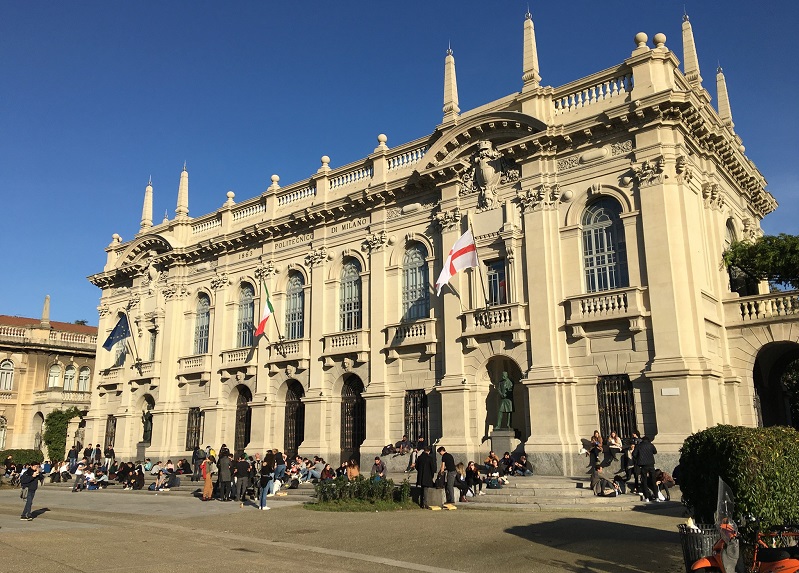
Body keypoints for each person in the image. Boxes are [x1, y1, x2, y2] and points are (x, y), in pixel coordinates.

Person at [633, 435, 658, 502]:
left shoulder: (639, 446)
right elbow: (655, 452)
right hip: (651, 464)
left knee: (644, 481)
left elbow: (634, 454)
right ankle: (656, 497)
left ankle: (646, 497)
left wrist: (639, 458)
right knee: (653, 480)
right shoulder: (651, 445)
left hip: (643, 465)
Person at [415, 445, 439, 510]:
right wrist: (432, 475)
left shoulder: (420, 457)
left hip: (421, 475)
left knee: (422, 489)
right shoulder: (430, 458)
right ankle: (424, 503)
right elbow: (433, 468)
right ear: (428, 451)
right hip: (427, 476)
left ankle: (421, 503)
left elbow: (416, 466)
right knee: (426, 490)